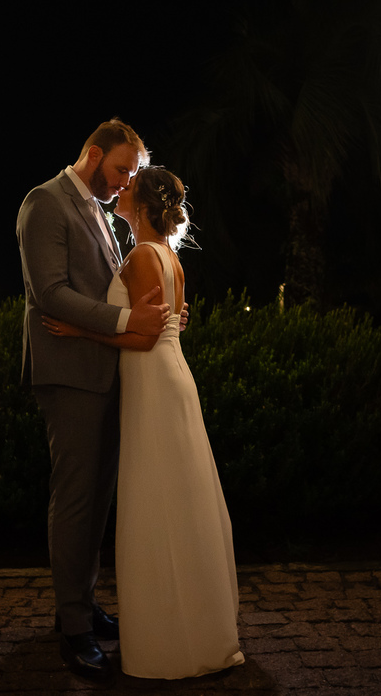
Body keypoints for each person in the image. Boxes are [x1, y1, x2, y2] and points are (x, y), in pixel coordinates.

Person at [43, 166, 245, 680]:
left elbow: (142, 337)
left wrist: (78, 330)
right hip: (171, 380)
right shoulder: (169, 257)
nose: (122, 186)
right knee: (179, 500)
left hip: (154, 382)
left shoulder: (138, 257)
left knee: (156, 502)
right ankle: (194, 625)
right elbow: (164, 326)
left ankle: (166, 635)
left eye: (131, 184)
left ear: (142, 203)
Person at [16, 119, 171, 680]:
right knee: (76, 500)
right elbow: (49, 293)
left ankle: (80, 605)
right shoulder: (44, 203)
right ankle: (73, 628)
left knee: (97, 500)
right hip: (68, 375)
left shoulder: (100, 213)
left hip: (104, 373)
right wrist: (130, 319)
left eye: (131, 172)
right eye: (120, 169)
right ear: (91, 153)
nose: (125, 180)